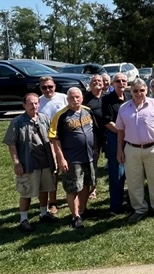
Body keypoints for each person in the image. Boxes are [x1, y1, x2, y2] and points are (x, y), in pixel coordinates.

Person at [116, 78, 154, 222]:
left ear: (146, 90)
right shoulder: (124, 108)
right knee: (134, 181)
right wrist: (119, 150)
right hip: (131, 149)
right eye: (135, 91)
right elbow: (120, 131)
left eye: (142, 90)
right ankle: (140, 209)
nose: (139, 93)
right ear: (131, 92)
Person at [3, 93, 58, 232]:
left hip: (45, 162)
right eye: (30, 103)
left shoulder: (45, 118)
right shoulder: (17, 121)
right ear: (24, 105)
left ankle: (44, 213)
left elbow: (52, 139)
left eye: (36, 103)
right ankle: (24, 219)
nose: (34, 106)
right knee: (26, 192)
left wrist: (55, 158)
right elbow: (11, 143)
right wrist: (17, 163)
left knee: (45, 189)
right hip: (28, 163)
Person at [49, 87, 99, 229]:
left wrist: (95, 149)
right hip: (72, 158)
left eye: (77, 97)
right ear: (67, 99)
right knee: (73, 188)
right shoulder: (61, 116)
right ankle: (75, 216)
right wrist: (61, 159)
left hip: (88, 156)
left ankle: (83, 210)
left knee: (86, 184)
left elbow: (94, 131)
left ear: (82, 98)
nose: (75, 100)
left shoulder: (88, 111)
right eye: (71, 97)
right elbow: (55, 139)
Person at [38, 76, 68, 214]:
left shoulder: (63, 98)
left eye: (50, 86)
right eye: (44, 87)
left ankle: (73, 196)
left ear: (54, 86)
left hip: (66, 138)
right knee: (53, 172)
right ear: (40, 88)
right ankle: (53, 202)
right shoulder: (38, 102)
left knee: (70, 168)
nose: (47, 89)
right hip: (48, 141)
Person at [101, 73, 129, 215]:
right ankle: (116, 206)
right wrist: (122, 132)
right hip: (114, 137)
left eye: (124, 81)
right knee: (117, 171)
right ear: (113, 84)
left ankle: (131, 202)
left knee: (131, 171)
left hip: (130, 138)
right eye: (118, 81)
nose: (121, 83)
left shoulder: (129, 97)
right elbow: (107, 122)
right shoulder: (107, 99)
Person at [83, 74, 105, 200]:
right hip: (92, 136)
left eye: (99, 80)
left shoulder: (106, 97)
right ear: (90, 84)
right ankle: (93, 189)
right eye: (94, 81)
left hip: (107, 134)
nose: (97, 82)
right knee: (93, 163)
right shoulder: (85, 99)